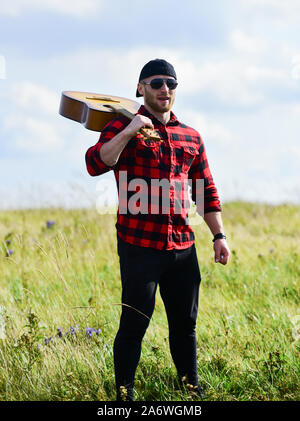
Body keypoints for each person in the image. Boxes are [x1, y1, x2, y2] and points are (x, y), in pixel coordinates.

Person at [85, 59, 230, 401]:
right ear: (140, 88)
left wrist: (219, 235)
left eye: (171, 83)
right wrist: (131, 128)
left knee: (185, 325)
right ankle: (124, 395)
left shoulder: (190, 136)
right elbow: (95, 163)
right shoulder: (122, 127)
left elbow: (204, 189)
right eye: (156, 83)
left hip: (182, 246)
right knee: (134, 323)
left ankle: (190, 390)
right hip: (139, 246)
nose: (165, 89)